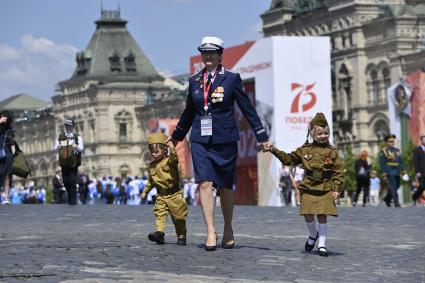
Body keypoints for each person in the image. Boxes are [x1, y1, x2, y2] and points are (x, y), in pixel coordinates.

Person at [167, 36, 270, 251]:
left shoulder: (232, 79)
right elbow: (189, 112)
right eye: (204, 52)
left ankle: (228, 228)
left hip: (225, 139)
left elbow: (247, 108)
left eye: (212, 52)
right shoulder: (194, 80)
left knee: (224, 186)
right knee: (204, 183)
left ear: (220, 54)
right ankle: (210, 231)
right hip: (200, 140)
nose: (207, 56)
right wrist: (176, 136)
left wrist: (261, 136)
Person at [263, 112, 344, 257]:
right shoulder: (304, 150)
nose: (323, 136)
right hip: (309, 186)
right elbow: (288, 159)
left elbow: (338, 171)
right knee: (307, 214)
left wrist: (336, 189)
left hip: (325, 187)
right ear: (312, 133)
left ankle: (322, 245)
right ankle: (313, 235)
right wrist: (274, 150)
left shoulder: (332, 151)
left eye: (326, 133)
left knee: (322, 215)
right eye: (320, 133)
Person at [141, 133, 188, 246]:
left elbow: (174, 157)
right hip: (161, 196)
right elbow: (151, 181)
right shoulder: (152, 165)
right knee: (160, 214)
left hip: (174, 195)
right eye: (152, 152)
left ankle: (181, 235)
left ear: (164, 149)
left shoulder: (169, 161)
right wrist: (145, 191)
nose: (154, 154)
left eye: (156, 151)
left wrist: (171, 146)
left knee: (179, 218)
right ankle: (159, 234)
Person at [54, 119, 84, 205]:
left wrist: (75, 146)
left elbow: (81, 148)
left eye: (70, 125)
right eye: (66, 125)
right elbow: (55, 147)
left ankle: (73, 200)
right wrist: (59, 146)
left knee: (72, 180)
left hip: (74, 161)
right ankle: (70, 195)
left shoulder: (77, 137)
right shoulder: (61, 136)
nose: (68, 127)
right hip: (64, 161)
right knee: (66, 181)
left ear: (73, 126)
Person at [379, 134, 404, 207]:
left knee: (397, 186)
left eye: (392, 141)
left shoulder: (397, 150)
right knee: (393, 187)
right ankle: (397, 203)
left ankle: (387, 199)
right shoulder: (384, 151)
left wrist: (403, 170)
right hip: (389, 170)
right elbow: (382, 162)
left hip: (397, 171)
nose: (392, 143)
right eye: (390, 142)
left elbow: (400, 161)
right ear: (387, 142)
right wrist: (384, 172)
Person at [0, 111, 16, 205]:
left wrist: (12, 140)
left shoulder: (9, 128)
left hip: (7, 154)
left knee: (6, 176)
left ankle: (6, 196)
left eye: (7, 118)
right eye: (3, 117)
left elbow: (13, 142)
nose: (5, 119)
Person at [412, 135, 425, 205]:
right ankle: (414, 196)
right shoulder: (417, 149)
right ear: (421, 141)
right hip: (421, 172)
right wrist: (417, 172)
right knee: (422, 186)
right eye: (424, 140)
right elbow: (415, 161)